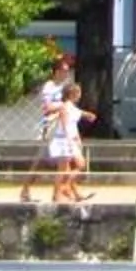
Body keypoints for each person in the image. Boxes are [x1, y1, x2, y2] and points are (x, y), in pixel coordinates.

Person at [21, 56, 77, 206]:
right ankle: (56, 194)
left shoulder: (65, 88)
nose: (67, 74)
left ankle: (62, 192)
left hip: (61, 128)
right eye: (64, 71)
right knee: (49, 162)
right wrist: (63, 106)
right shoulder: (49, 87)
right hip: (51, 129)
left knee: (62, 161)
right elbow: (47, 108)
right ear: (56, 71)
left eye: (68, 71)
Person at [47, 79, 96, 213]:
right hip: (63, 140)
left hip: (70, 140)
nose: (80, 95)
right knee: (63, 169)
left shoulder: (72, 108)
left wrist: (88, 116)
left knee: (79, 165)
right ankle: (57, 194)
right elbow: (65, 124)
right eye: (78, 93)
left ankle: (67, 188)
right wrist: (70, 141)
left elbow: (78, 115)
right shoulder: (64, 107)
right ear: (73, 94)